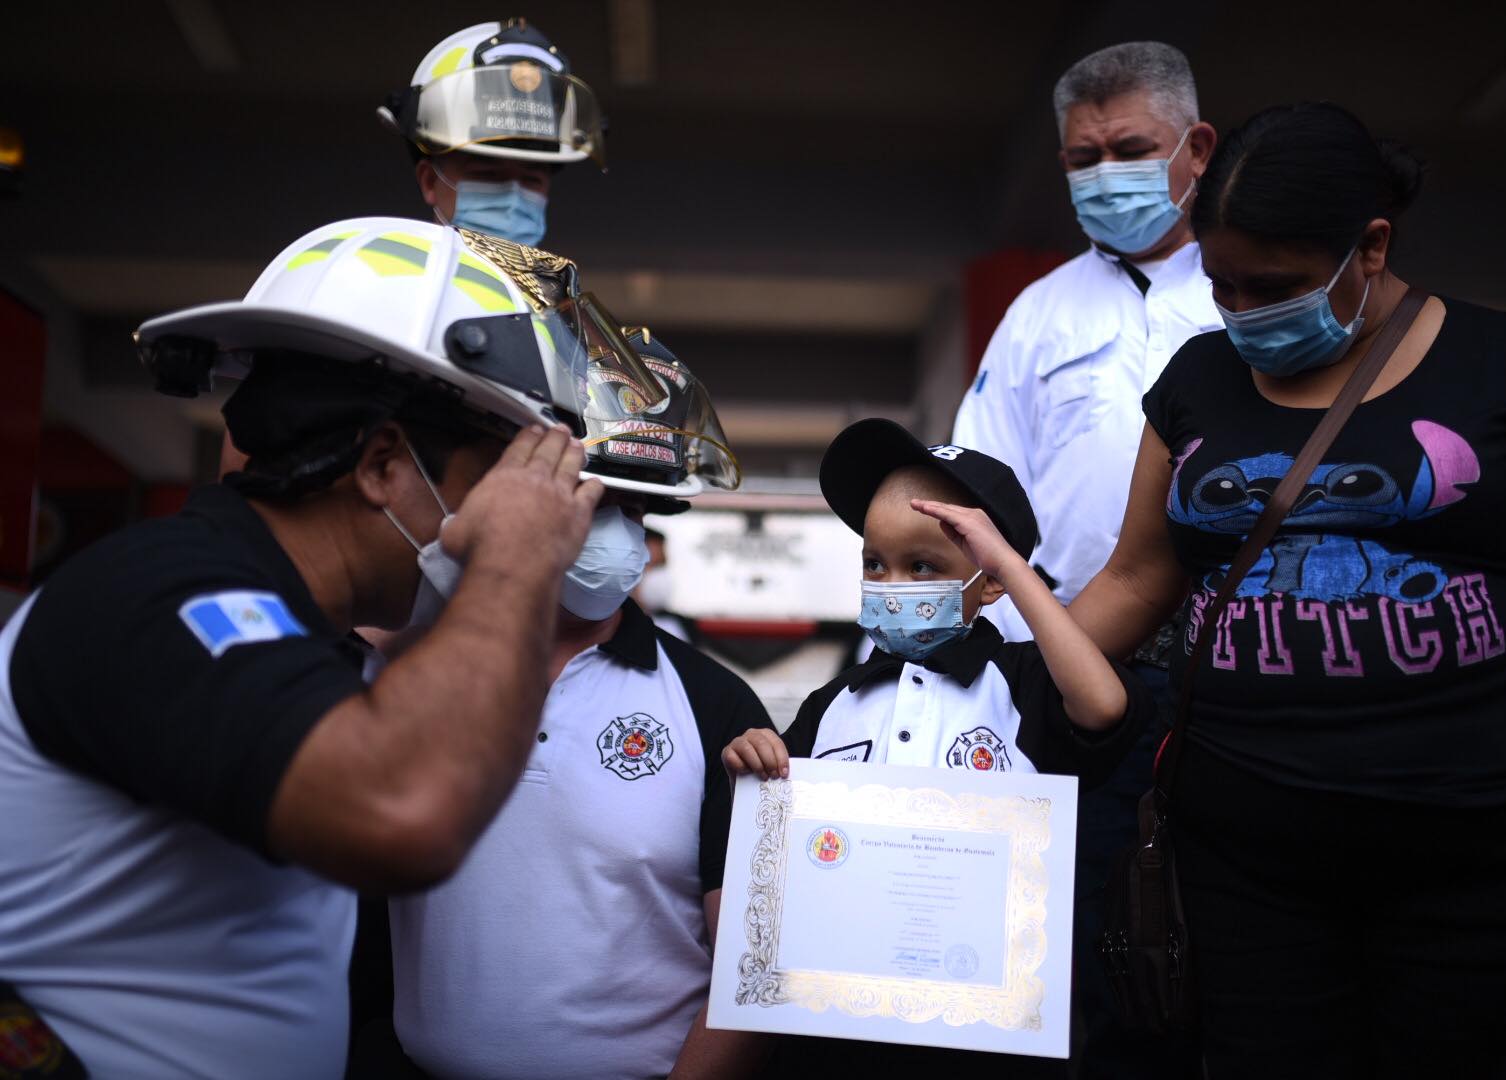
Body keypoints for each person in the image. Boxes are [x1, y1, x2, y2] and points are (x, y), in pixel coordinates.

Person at [1069, 102, 1506, 1077]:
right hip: (1243, 858)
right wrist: (995, 677)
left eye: (1271, 286)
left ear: (1371, 246)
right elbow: (1139, 577)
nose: (1241, 311)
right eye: (1221, 284)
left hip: (1481, 853)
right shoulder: (1199, 379)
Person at [0, 216, 614, 1079]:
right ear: (381, 465)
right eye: (492, 487)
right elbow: (404, 812)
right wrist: (516, 556)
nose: (490, 522)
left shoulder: (305, 634)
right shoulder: (159, 594)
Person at [380, 330, 774, 1080]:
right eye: (596, 502)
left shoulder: (713, 705)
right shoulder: (418, 666)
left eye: (638, 514)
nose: (621, 538)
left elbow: (750, 963)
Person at [723, 418, 1157, 1079]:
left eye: (924, 566)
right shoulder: (831, 705)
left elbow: (1103, 704)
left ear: (988, 584)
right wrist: (755, 758)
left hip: (986, 1046)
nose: (893, 583)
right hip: (832, 1037)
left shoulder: (1022, 684)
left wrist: (1010, 563)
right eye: (875, 562)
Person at [949, 40, 1216, 1077]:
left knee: (1234, 958)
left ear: (1196, 147)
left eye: (1131, 148)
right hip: (1068, 676)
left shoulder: (1255, 294)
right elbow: (979, 503)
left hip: (1234, 674)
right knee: (1085, 964)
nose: (1105, 174)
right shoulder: (1040, 314)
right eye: (1081, 158)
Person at [379, 17, 606, 247]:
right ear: (428, 181)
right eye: (488, 174)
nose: (513, 200)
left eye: (531, 179)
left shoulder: (562, 282)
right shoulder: (389, 280)